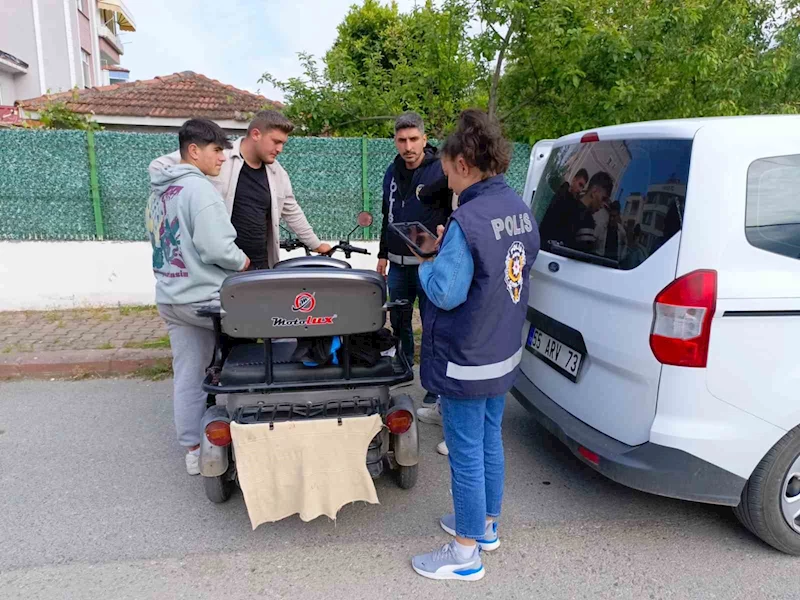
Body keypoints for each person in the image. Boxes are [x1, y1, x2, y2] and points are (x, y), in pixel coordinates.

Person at [409, 109, 540, 581]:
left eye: (444, 166)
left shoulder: (467, 218)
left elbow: (446, 291)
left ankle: (465, 555)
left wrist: (429, 259)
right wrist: (452, 249)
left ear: (462, 162)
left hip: (467, 357)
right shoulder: (518, 208)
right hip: (503, 348)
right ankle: (485, 526)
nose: (442, 174)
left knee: (465, 451)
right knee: (489, 439)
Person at [146, 119, 250, 475]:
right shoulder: (199, 190)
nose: (223, 157)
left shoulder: (161, 190)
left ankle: (193, 448)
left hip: (171, 296)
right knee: (260, 352)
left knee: (189, 373)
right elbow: (216, 246)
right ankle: (253, 432)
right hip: (205, 299)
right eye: (216, 150)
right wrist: (242, 260)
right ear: (194, 151)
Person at [150, 110, 331, 270]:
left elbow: (292, 210)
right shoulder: (219, 156)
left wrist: (315, 244)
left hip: (261, 265)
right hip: (223, 267)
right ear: (256, 134)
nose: (280, 149)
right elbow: (159, 166)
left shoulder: (278, 173)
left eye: (283, 143)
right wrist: (194, 188)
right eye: (276, 142)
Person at [376, 112, 452, 409]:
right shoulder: (390, 172)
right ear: (395, 141)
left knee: (432, 325)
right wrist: (382, 253)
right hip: (396, 263)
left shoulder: (440, 171)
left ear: (424, 139)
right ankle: (405, 367)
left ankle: (433, 386)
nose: (407, 146)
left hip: (428, 265)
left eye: (413, 139)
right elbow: (387, 214)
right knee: (399, 320)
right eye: (401, 140)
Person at [538, 168, 588, 247]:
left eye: (582, 187)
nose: (580, 190)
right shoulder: (561, 193)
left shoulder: (574, 204)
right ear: (574, 180)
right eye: (580, 184)